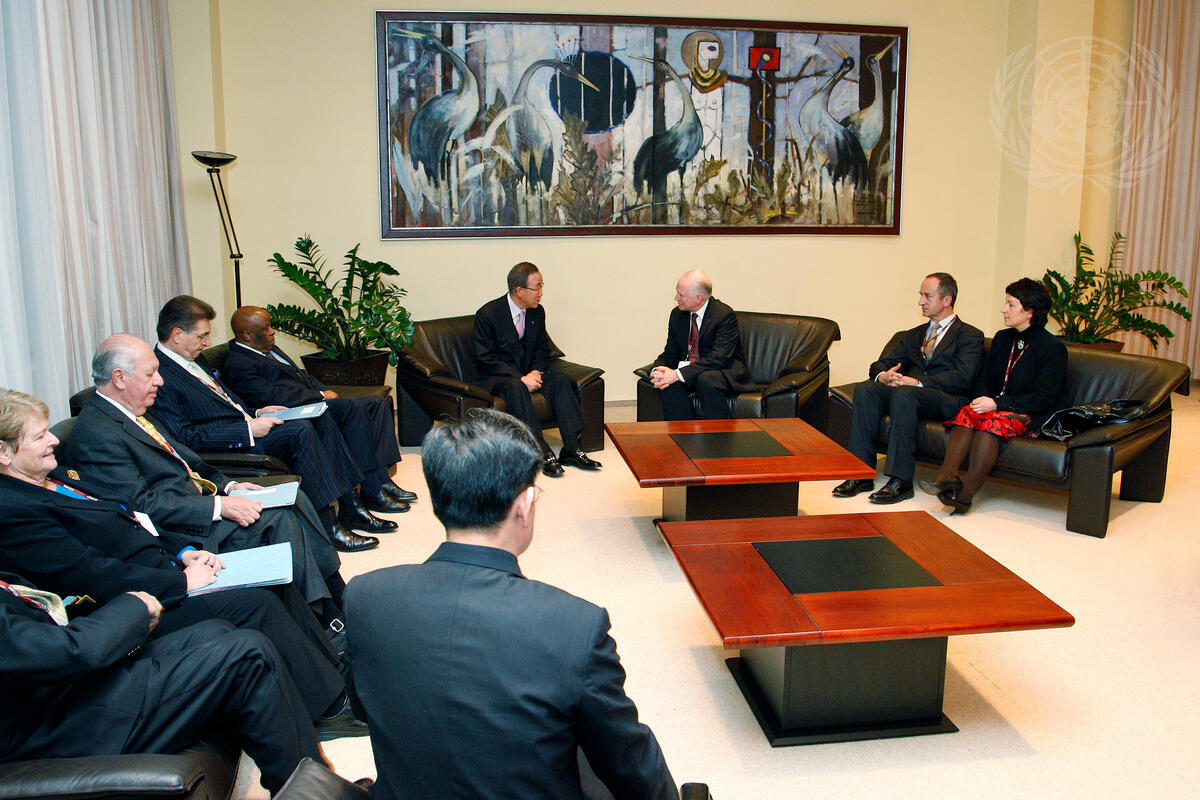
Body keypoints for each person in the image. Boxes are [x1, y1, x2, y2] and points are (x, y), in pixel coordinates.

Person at [345, 409, 678, 800]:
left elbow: (365, 709)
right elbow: (632, 768)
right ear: (525, 504)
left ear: (438, 499)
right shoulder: (575, 626)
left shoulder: (365, 595)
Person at [0, 387, 366, 738]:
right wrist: (182, 582)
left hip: (168, 564)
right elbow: (91, 573)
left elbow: (133, 516)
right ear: (3, 452)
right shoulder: (13, 510)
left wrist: (182, 551)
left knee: (277, 580)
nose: (54, 440)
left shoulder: (59, 477)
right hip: (138, 600)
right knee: (258, 604)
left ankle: (335, 676)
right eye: (40, 436)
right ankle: (330, 709)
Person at [62, 334, 350, 624]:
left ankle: (337, 598)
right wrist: (219, 506)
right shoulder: (96, 434)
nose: (160, 381)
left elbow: (190, 461)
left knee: (292, 495)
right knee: (278, 520)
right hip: (180, 530)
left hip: (199, 499)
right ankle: (324, 617)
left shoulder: (133, 412)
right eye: (150, 374)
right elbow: (138, 505)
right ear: (119, 378)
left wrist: (230, 486)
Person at [0, 571, 328, 794]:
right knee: (248, 656)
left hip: (58, 688)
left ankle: (318, 782)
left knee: (215, 631)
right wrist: (134, 607)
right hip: (51, 724)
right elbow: (69, 652)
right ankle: (313, 794)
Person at [150, 295, 400, 544]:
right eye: (202, 336)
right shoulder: (160, 375)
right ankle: (328, 525)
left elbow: (226, 402)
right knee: (300, 431)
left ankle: (351, 505)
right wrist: (247, 429)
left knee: (320, 415)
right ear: (177, 334)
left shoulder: (195, 358)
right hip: (227, 445)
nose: (207, 342)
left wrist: (257, 412)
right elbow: (183, 438)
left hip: (247, 424)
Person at [222, 305, 417, 512]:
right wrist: (320, 396)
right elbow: (273, 397)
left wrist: (323, 389)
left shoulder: (267, 348)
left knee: (376, 403)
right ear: (247, 334)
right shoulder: (239, 363)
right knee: (351, 407)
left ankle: (383, 478)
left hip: (310, 401)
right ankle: (371, 488)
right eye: (266, 328)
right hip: (294, 411)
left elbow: (301, 376)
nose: (272, 332)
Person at [919, 278, 1068, 513]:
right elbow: (984, 379)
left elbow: (1042, 398)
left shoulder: (1052, 348)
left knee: (991, 423)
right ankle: (946, 477)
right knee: (967, 412)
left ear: (1029, 311)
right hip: (996, 408)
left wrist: (996, 403)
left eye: (1011, 304)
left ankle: (965, 496)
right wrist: (982, 399)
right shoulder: (1003, 338)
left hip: (1031, 412)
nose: (1004, 309)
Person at [833, 273, 984, 504]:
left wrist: (918, 383)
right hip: (910, 395)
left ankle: (900, 481)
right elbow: (879, 365)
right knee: (866, 390)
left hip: (945, 398)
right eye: (921, 295)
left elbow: (963, 377)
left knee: (905, 394)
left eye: (927, 296)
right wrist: (884, 376)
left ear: (947, 300)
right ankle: (860, 473)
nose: (921, 301)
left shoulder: (969, 335)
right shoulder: (915, 335)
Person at [471, 262, 601, 478]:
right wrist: (521, 378)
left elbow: (542, 349)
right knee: (516, 387)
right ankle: (540, 450)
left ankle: (571, 448)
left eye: (542, 286)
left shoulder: (537, 312)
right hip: (497, 376)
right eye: (537, 287)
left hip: (527, 372)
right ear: (519, 290)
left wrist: (536, 372)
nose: (541, 292)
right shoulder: (488, 314)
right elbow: (486, 358)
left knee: (561, 381)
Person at [647, 270, 749, 420]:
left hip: (720, 370)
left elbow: (718, 359)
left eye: (681, 295)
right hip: (691, 370)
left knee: (706, 379)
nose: (676, 298)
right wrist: (657, 370)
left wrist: (677, 374)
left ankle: (719, 432)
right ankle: (684, 431)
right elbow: (670, 353)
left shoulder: (723, 315)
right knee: (667, 383)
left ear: (699, 298)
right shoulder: (677, 315)